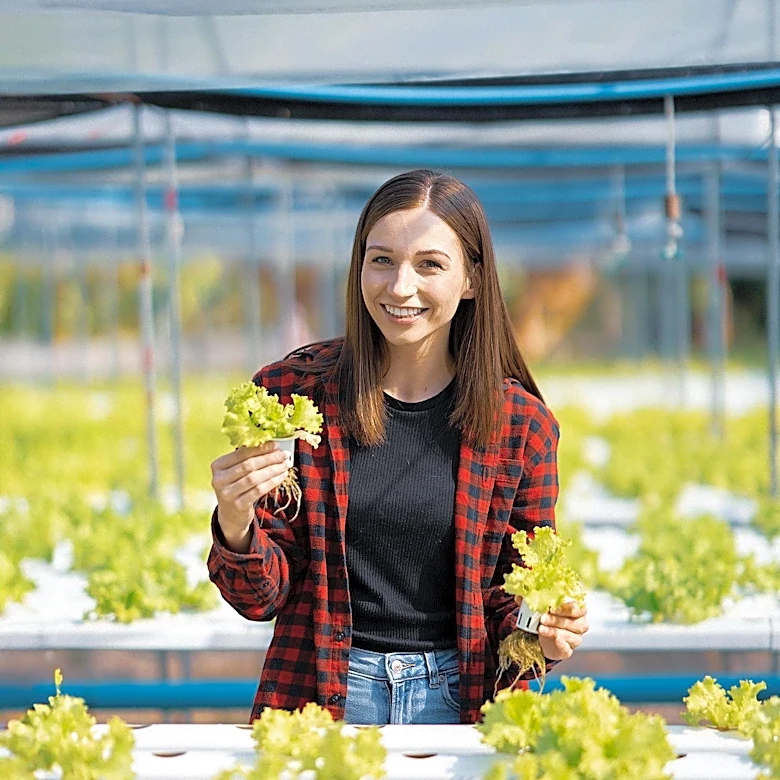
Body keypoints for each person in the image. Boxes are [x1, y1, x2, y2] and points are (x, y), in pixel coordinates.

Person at [208, 169, 589, 726]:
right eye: (381, 259)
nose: (399, 287)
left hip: (463, 700)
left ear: (472, 280)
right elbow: (260, 599)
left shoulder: (521, 426)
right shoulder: (293, 398)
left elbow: (514, 598)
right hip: (322, 692)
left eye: (429, 264)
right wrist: (236, 523)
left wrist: (545, 635)